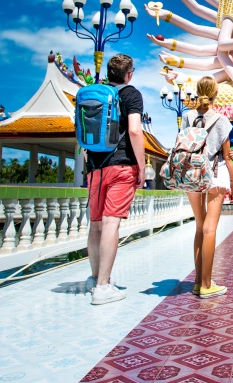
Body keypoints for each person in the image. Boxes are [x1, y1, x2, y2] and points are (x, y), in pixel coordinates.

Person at [85, 54, 145, 305]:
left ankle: (94, 277)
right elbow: (134, 129)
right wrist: (141, 167)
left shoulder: (94, 93)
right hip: (121, 166)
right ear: (129, 73)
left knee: (96, 224)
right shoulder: (131, 94)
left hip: (94, 167)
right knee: (111, 224)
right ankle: (103, 286)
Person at [181, 76, 233, 298]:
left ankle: (198, 282)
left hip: (191, 173)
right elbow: (227, 156)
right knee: (210, 228)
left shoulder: (186, 116)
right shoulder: (222, 120)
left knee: (199, 227)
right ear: (216, 93)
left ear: (197, 92)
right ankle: (207, 284)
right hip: (215, 173)